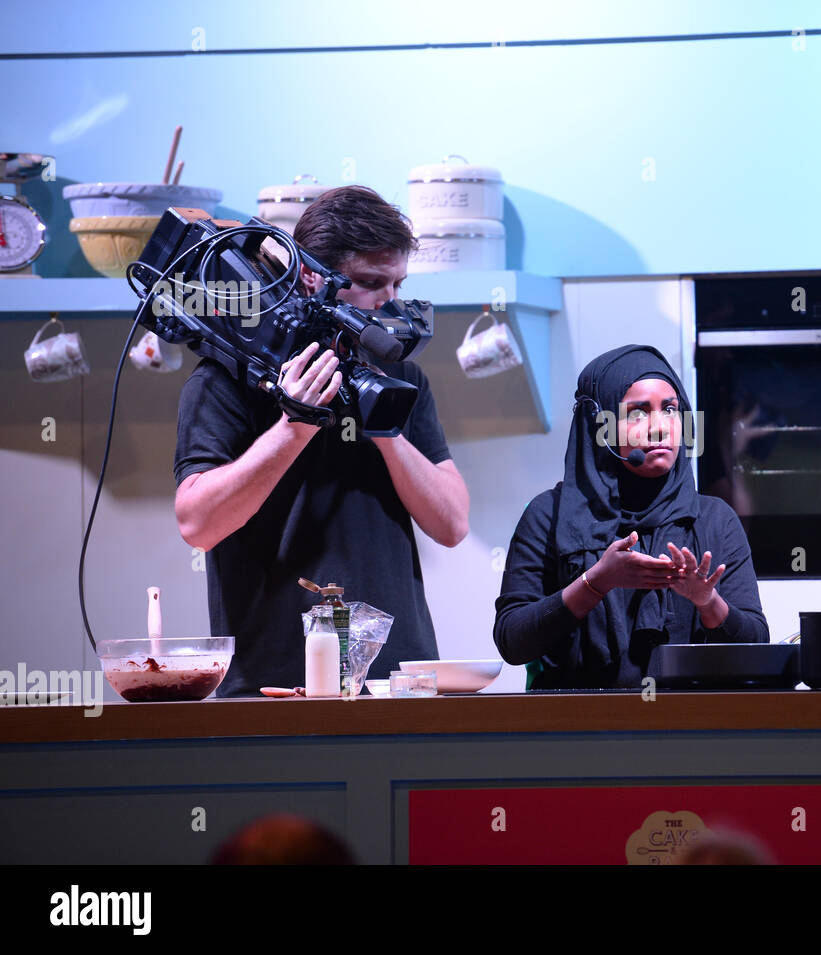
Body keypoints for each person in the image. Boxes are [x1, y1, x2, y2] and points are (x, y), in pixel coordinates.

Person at [174, 185, 470, 696]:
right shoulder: (224, 380)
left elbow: (451, 524)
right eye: (371, 282)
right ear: (311, 276)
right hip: (272, 684)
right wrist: (295, 425)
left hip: (396, 679)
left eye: (398, 283)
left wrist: (385, 428)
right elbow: (198, 523)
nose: (389, 302)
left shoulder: (402, 379)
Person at [494, 345, 770, 689]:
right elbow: (512, 641)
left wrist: (707, 601)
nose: (660, 427)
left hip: (691, 726)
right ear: (601, 426)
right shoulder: (547, 514)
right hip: (572, 726)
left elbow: (757, 644)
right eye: (638, 413)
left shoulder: (714, 518)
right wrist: (595, 582)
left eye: (670, 409)